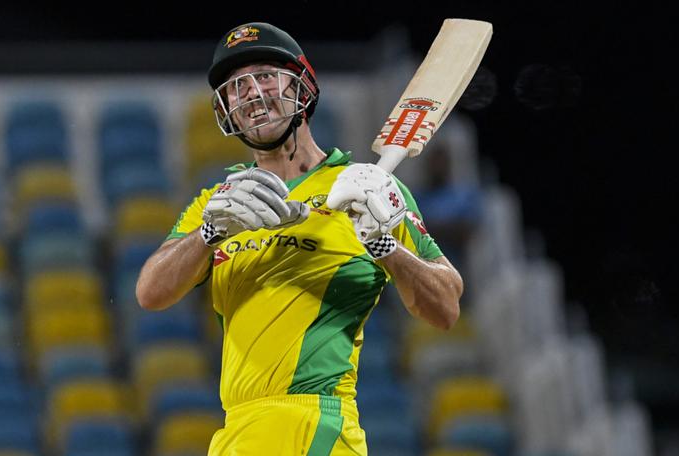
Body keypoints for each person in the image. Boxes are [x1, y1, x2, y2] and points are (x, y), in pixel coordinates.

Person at [136, 22, 464, 456]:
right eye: (235, 87)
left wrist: (385, 245)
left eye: (266, 74)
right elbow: (150, 292)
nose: (251, 92)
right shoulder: (219, 202)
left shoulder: (368, 189)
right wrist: (210, 233)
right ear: (226, 109)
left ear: (303, 85)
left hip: (315, 425)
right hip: (235, 433)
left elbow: (445, 307)